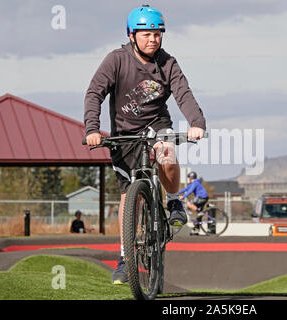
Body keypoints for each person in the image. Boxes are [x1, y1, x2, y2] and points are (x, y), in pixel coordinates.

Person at [84, 5, 206, 284]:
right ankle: (126, 257)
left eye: (158, 34)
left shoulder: (168, 63)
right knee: (128, 195)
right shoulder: (116, 60)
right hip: (124, 134)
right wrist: (92, 129)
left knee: (167, 153)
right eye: (147, 34)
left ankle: (174, 202)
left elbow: (183, 94)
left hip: (157, 126)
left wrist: (197, 123)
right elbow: (94, 94)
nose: (153, 39)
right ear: (132, 35)